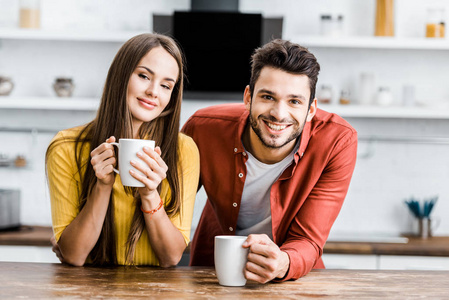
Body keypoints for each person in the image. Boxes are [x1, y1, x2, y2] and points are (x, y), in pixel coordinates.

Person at [182, 39, 357, 283]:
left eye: (294, 101)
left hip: (292, 281)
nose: (279, 113)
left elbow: (308, 239)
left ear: (311, 110)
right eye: (267, 97)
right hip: (212, 275)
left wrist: (283, 261)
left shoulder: (337, 141)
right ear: (248, 97)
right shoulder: (203, 128)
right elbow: (170, 207)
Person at [46, 33, 199, 267]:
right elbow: (74, 255)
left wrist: (149, 194)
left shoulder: (183, 150)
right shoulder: (66, 148)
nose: (153, 91)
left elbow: (171, 257)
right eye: (144, 76)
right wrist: (102, 187)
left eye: (166, 85)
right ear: (120, 76)